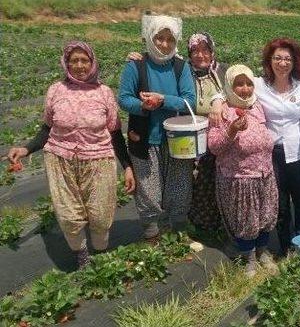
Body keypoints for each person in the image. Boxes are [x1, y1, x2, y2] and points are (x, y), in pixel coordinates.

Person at [7, 41, 135, 269]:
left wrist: (126, 166)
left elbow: (115, 134)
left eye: (84, 60)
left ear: (92, 63)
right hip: (60, 159)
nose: (79, 65)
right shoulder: (56, 90)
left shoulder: (104, 93)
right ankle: (82, 253)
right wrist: (25, 149)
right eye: (73, 60)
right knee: (68, 214)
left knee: (100, 215)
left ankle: (101, 252)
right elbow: (46, 129)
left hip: (99, 160)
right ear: (66, 63)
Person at [127, 32, 228, 232]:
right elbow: (160, 63)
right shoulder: (182, 69)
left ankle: (222, 224)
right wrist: (140, 58)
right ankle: (196, 224)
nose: (200, 55)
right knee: (193, 183)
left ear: (212, 50)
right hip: (190, 134)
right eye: (195, 51)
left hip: (221, 136)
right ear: (188, 53)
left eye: (205, 50)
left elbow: (238, 88)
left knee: (219, 181)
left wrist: (219, 98)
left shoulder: (223, 70)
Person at [118, 15, 196, 241]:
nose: (164, 43)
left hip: (177, 138)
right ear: (150, 38)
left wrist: (164, 100)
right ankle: (152, 232)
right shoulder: (136, 66)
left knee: (179, 184)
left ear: (175, 42)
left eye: (169, 39)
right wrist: (142, 105)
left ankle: (178, 227)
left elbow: (189, 100)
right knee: (148, 188)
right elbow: (123, 99)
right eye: (159, 38)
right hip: (145, 137)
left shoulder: (181, 67)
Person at [254, 38, 300, 255]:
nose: (282, 63)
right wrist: (218, 101)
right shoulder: (259, 85)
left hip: (299, 151)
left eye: (287, 58)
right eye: (277, 58)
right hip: (272, 153)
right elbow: (231, 88)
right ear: (270, 61)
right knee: (280, 205)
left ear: (294, 62)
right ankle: (286, 246)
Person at [208, 65, 278, 277]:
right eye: (239, 84)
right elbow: (214, 147)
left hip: (264, 173)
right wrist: (232, 130)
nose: (245, 89)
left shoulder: (257, 106)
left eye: (248, 83)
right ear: (230, 87)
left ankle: (263, 252)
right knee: (245, 221)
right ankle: (249, 258)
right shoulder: (221, 112)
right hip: (240, 177)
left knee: (265, 217)